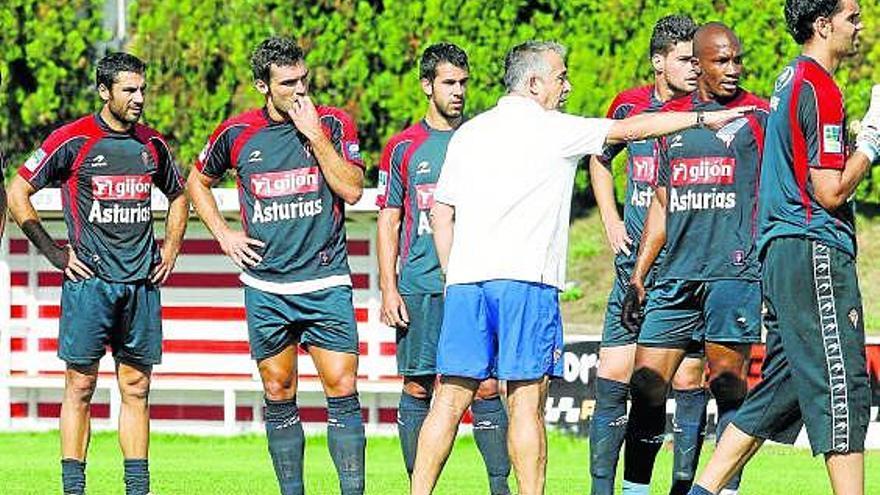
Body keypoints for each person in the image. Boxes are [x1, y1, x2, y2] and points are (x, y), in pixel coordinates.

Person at [409, 40, 754, 495]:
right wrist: (701, 118)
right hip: (525, 284)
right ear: (534, 84)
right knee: (527, 406)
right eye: (560, 77)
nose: (567, 86)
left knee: (448, 401)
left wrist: (455, 278)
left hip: (467, 285)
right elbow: (635, 129)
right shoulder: (554, 129)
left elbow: (440, 215)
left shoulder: (468, 134)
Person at [688, 2, 876, 494]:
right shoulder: (820, 86)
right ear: (822, 24)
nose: (860, 27)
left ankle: (701, 491)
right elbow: (830, 190)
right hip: (813, 248)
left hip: (783, 251)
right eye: (852, 17)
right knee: (843, 383)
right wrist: (872, 144)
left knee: (781, 389)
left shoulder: (789, 78)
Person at [186, 36, 366, 495]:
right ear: (263, 86)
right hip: (267, 288)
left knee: (343, 387)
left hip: (325, 280)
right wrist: (225, 235)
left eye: (304, 79)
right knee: (278, 390)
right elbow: (196, 181)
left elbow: (352, 190)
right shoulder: (236, 133)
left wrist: (315, 137)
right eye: (288, 83)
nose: (300, 90)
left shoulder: (333, 123)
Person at [6, 52, 189, 495]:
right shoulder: (73, 140)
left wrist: (170, 249)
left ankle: (137, 489)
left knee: (136, 387)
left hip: (141, 286)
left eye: (142, 89)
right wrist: (53, 252)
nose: (139, 98)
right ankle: (74, 489)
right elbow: (18, 191)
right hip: (89, 286)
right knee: (80, 386)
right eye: (129, 90)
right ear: (105, 91)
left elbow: (179, 195)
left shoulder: (153, 145)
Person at [622, 22, 770, 495]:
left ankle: (724, 490)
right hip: (675, 276)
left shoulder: (759, 117)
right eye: (720, 61)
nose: (732, 69)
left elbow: (776, 194)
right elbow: (661, 203)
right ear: (699, 65)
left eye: (736, 59)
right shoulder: (673, 119)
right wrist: (639, 275)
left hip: (734, 273)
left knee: (728, 387)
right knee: (645, 386)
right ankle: (635, 491)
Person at [376, 42, 511, 493]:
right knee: (419, 387)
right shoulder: (402, 148)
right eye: (449, 82)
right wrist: (388, 287)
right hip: (421, 284)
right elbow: (390, 218)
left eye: (463, 82)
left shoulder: (484, 138)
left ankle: (500, 487)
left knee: (488, 386)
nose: (458, 91)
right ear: (426, 85)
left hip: (477, 282)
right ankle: (419, 485)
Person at [588, 15, 709, 495]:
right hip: (632, 265)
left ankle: (680, 488)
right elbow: (598, 158)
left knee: (686, 378)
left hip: (685, 267)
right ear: (659, 62)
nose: (695, 68)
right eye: (684, 59)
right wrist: (610, 218)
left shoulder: (705, 111)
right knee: (614, 374)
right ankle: (604, 490)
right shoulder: (628, 107)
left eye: (698, 59)